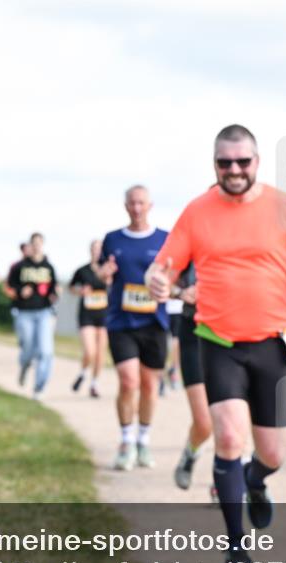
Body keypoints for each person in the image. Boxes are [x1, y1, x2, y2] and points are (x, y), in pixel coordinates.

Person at [147, 124, 286, 563]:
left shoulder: (283, 206)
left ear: (256, 162)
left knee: (273, 453)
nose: (233, 170)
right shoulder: (197, 212)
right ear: (214, 164)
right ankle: (236, 545)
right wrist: (159, 281)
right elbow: (163, 270)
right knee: (229, 435)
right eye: (224, 163)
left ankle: (256, 480)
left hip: (276, 343)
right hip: (218, 340)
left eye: (242, 162)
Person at [97, 185, 170, 471]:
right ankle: (125, 441)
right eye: (132, 203)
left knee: (150, 385)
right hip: (122, 322)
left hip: (154, 322)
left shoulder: (165, 239)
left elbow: (176, 275)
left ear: (150, 205)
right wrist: (104, 273)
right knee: (129, 382)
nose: (137, 208)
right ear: (125, 206)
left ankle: (143, 440)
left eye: (141, 203)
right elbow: (102, 271)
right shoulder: (112, 239)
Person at [170, 264, 216, 501]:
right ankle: (191, 453)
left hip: (235, 333)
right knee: (204, 422)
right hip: (195, 331)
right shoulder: (191, 234)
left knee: (233, 417)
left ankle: (223, 478)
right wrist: (180, 293)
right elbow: (161, 279)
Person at [7, 233, 59, 400]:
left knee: (45, 351)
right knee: (28, 348)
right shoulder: (20, 266)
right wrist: (19, 292)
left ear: (43, 244)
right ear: (30, 245)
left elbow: (53, 289)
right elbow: (9, 287)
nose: (36, 246)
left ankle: (39, 387)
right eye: (33, 243)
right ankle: (24, 365)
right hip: (24, 313)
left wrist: (54, 295)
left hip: (44, 312)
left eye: (39, 243)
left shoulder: (48, 267)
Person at [69, 240, 110, 398]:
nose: (97, 252)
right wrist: (80, 290)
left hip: (104, 314)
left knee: (100, 353)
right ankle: (83, 372)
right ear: (90, 251)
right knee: (90, 350)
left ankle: (94, 384)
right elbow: (72, 287)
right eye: (94, 249)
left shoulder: (108, 270)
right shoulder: (82, 270)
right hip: (87, 314)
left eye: (100, 249)